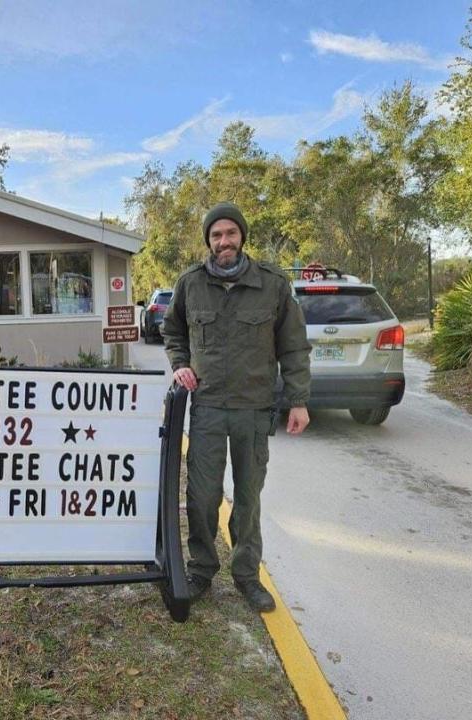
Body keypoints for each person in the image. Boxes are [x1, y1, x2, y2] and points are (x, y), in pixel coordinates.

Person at [161, 202, 311, 613]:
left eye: (230, 233)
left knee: (248, 498)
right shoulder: (189, 284)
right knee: (203, 496)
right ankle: (202, 570)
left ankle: (247, 576)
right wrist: (181, 365)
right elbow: (172, 330)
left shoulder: (273, 284)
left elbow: (294, 346)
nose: (223, 241)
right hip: (207, 406)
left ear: (242, 236)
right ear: (208, 241)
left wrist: (297, 401)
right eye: (216, 235)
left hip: (254, 408)